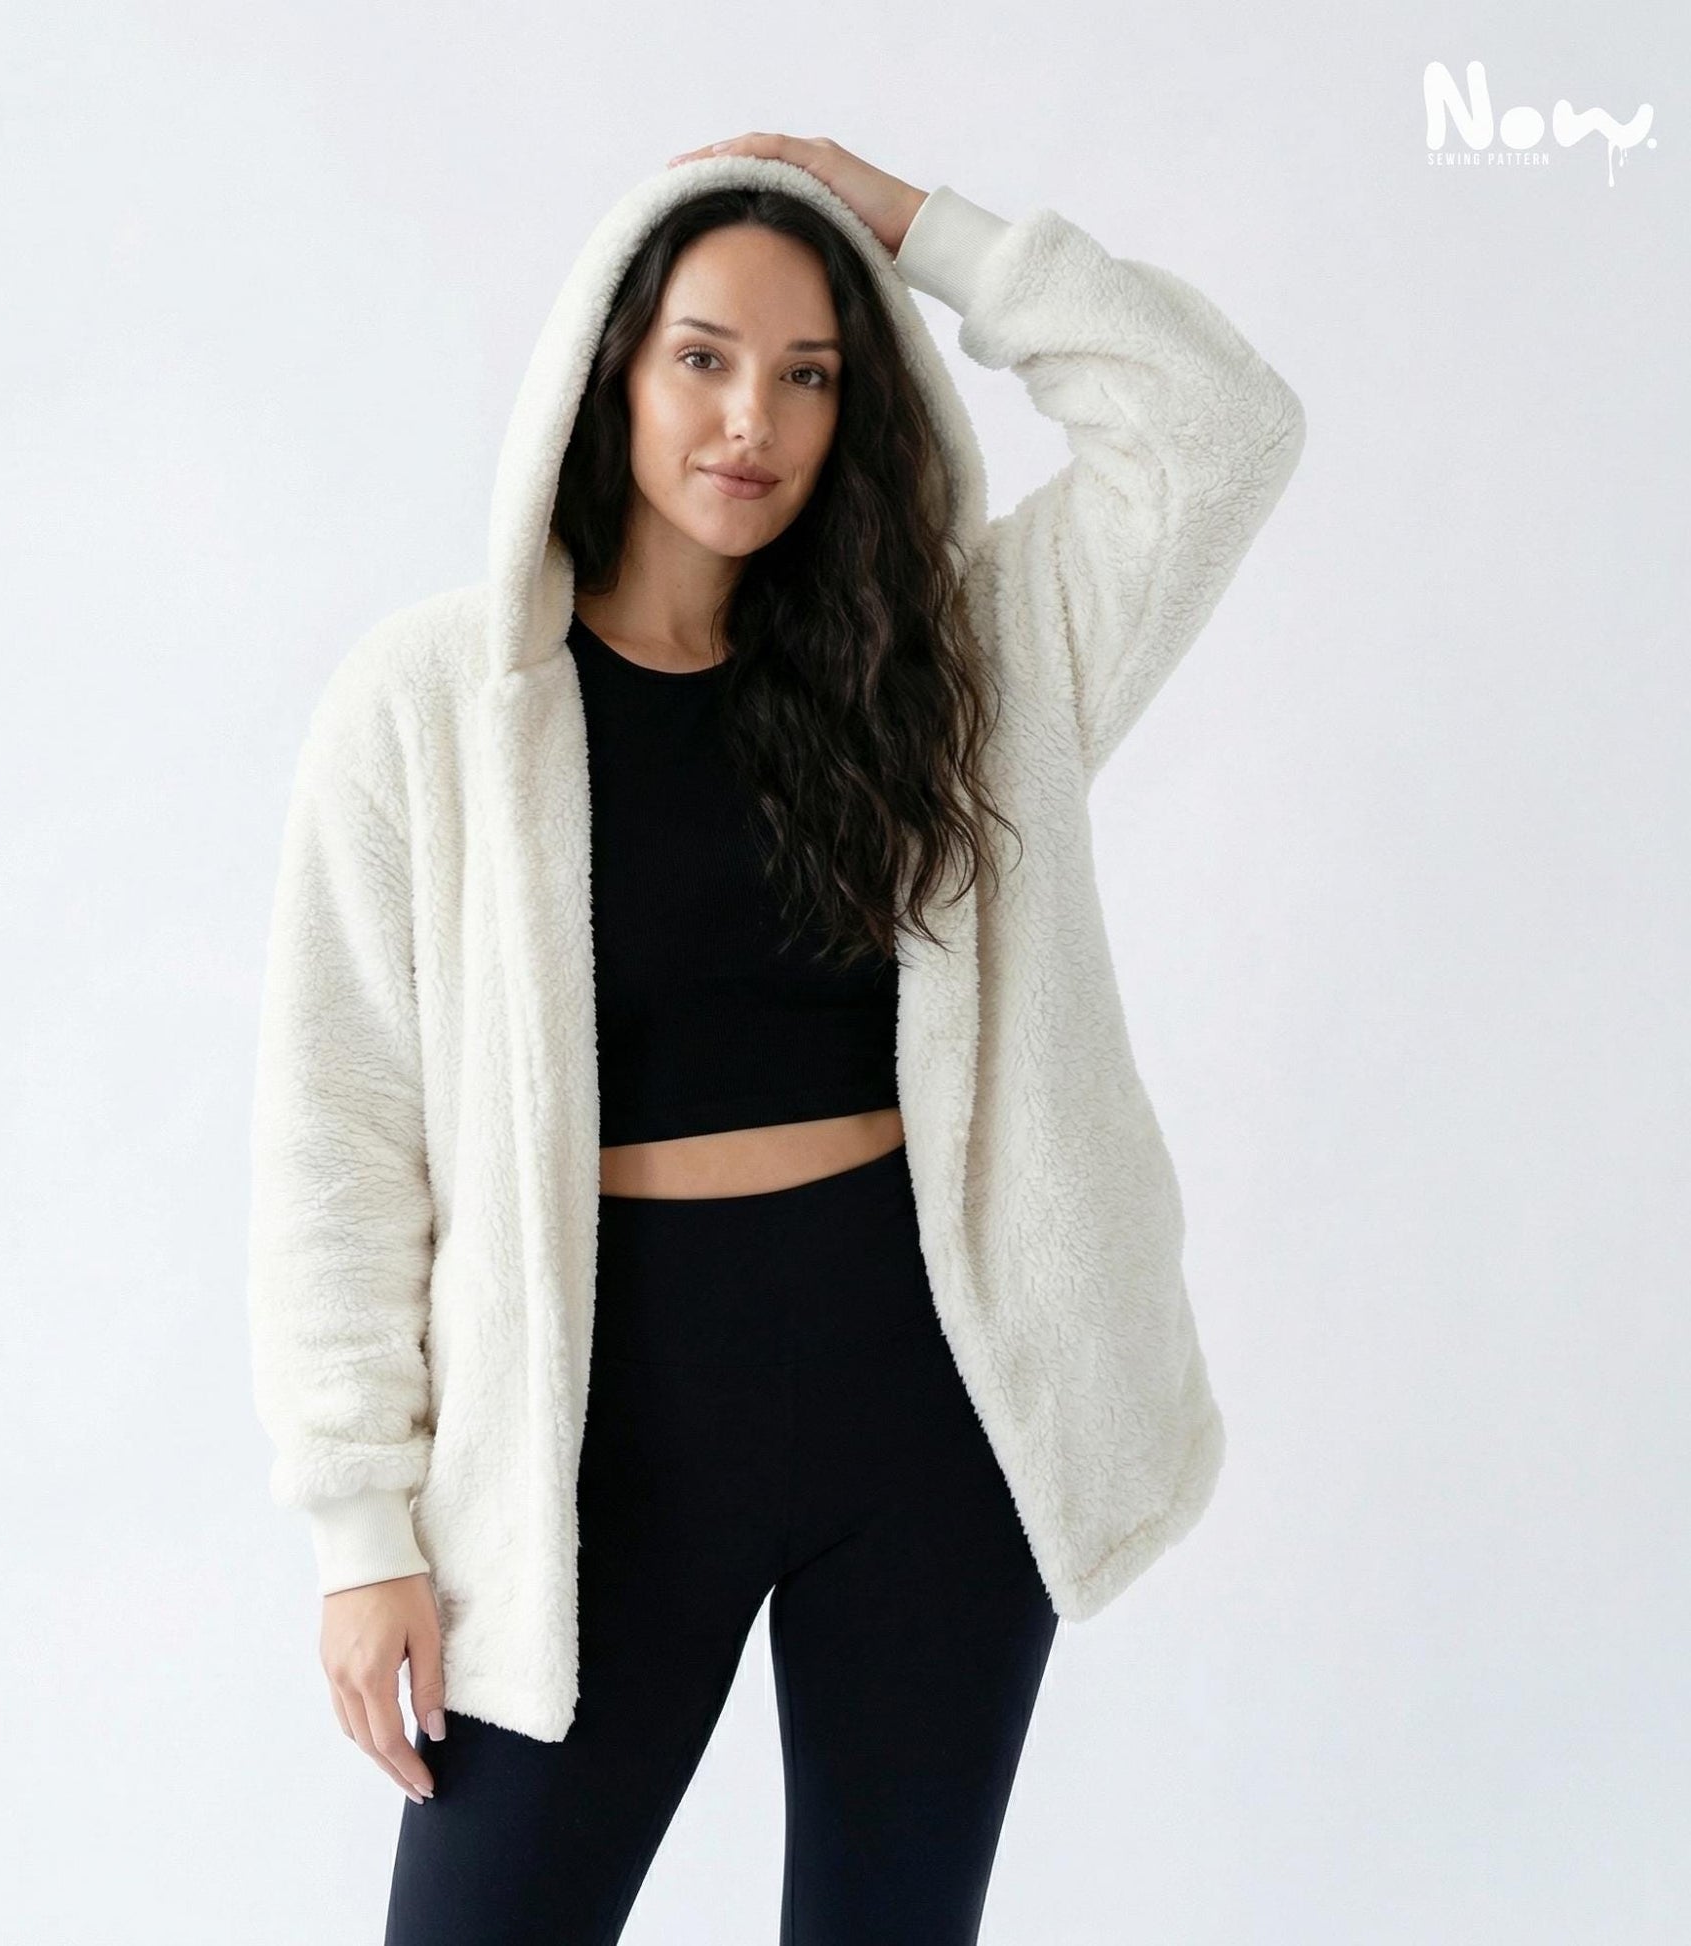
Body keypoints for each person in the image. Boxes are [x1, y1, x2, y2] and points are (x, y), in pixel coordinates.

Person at [246, 133, 1306, 1944]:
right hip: (597, 1436)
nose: (752, 420)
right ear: (607, 368)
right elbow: (338, 1132)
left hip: (930, 1404)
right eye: (703, 358)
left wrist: (913, 224)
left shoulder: (953, 663)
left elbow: (1219, 430)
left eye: (809, 372)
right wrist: (361, 1529)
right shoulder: (436, 704)